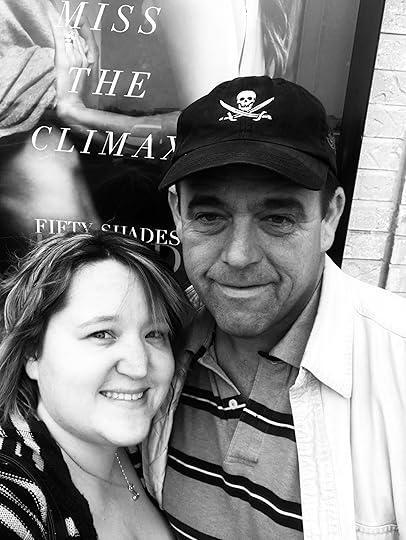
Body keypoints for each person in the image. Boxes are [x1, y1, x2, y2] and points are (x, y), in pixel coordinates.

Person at [142, 76, 406, 539]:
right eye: (210, 216)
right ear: (177, 213)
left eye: (278, 218)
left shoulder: (396, 363)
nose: (239, 255)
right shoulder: (148, 348)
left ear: (330, 217)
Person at [0, 231, 191, 539]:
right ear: (32, 353)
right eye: (101, 334)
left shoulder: (149, 450)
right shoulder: (12, 489)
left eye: (154, 334)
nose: (139, 366)